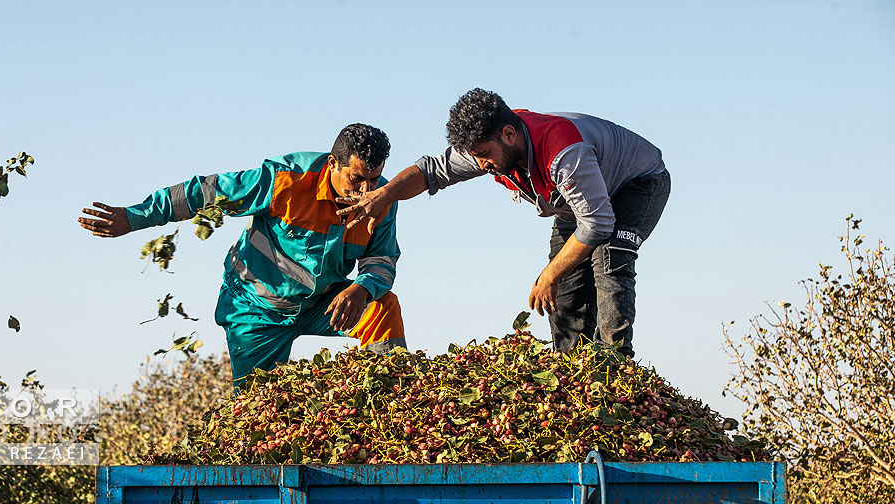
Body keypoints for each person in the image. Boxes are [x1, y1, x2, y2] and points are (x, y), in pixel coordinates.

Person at [339, 89, 670, 357]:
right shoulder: (487, 147)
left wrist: (550, 273)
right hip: (575, 205)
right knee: (566, 293)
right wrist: (385, 194)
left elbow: (598, 224)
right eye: (475, 156)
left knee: (609, 257)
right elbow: (431, 172)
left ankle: (615, 362)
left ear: (509, 134)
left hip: (636, 184)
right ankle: (573, 368)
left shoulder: (564, 151)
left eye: (485, 154)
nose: (481, 164)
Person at [77, 123, 406, 385]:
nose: (366, 191)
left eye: (374, 180)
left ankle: (390, 398)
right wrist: (135, 216)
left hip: (321, 305)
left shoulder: (381, 200)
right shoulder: (284, 179)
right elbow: (204, 192)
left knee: (382, 305)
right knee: (259, 416)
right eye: (357, 179)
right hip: (254, 311)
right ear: (333, 164)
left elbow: (382, 260)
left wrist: (361, 288)